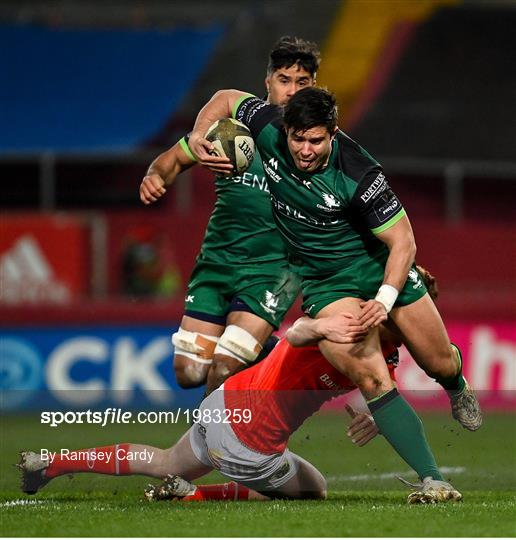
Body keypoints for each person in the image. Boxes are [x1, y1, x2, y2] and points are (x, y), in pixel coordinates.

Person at [185, 86, 481, 476]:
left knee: (437, 361)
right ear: (285, 129)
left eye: (316, 140)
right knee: (371, 377)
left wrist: (386, 297)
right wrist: (196, 136)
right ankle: (433, 480)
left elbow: (403, 241)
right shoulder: (269, 128)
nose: (305, 149)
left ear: (334, 132)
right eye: (298, 138)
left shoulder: (359, 173)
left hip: (379, 269)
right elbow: (225, 98)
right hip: (327, 283)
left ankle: (456, 383)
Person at [18, 309, 461, 505]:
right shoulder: (346, 322)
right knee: (315, 488)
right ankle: (194, 496)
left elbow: (383, 395)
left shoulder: (385, 357)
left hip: (224, 403)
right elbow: (299, 332)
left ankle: (51, 463)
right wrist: (318, 324)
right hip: (248, 442)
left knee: (164, 460)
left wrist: (376, 419)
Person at [140, 37, 321, 394]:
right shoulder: (233, 132)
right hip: (218, 261)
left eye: (302, 83)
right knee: (189, 373)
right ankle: (277, 355)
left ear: (313, 87)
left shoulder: (314, 145)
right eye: (284, 80)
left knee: (225, 366)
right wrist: (155, 178)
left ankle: (212, 447)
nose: (292, 91)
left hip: (274, 270)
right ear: (267, 81)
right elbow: (169, 163)